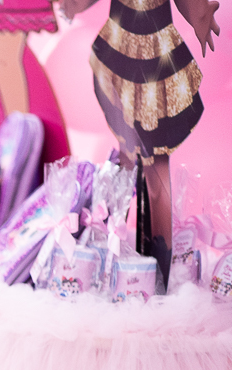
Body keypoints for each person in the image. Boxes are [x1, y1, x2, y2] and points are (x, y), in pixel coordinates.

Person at [62, 0, 220, 285]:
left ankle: (158, 274)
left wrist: (198, 14)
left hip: (155, 60)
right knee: (126, 160)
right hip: (119, 50)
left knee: (155, 167)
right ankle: (113, 261)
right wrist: (75, 4)